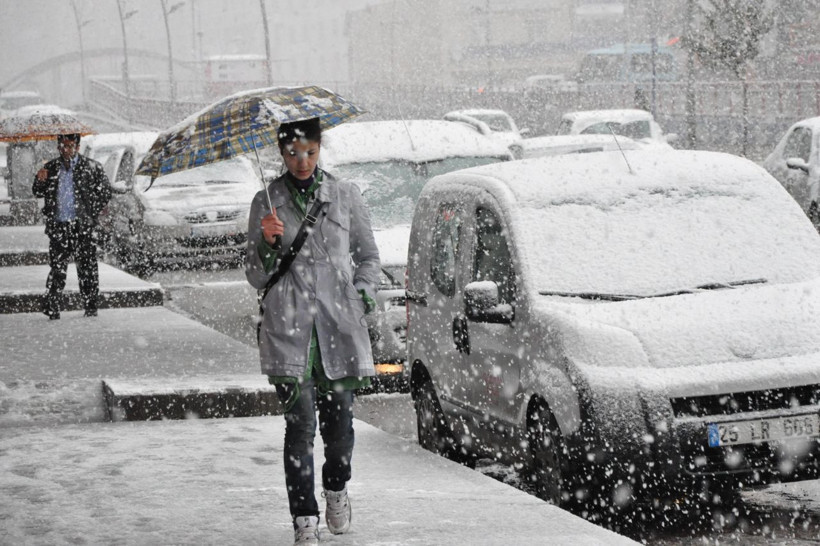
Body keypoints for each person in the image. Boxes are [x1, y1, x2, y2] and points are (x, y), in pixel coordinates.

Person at [244, 117, 380, 545]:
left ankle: (336, 487)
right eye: (292, 153)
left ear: (320, 149)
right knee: (299, 427)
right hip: (289, 331)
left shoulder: (344, 196)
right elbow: (253, 274)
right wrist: (267, 243)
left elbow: (368, 257)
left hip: (339, 328)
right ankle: (304, 518)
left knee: (339, 431)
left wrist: (364, 291)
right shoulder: (265, 202)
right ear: (280, 154)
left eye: (310, 152)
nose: (301, 161)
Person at [32, 133, 111, 320]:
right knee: (57, 268)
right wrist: (40, 179)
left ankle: (90, 306)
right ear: (58, 146)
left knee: (87, 268)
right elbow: (37, 192)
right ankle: (52, 307)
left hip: (82, 226)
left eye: (70, 145)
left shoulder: (91, 167)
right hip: (59, 226)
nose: (67, 149)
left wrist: (90, 213)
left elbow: (105, 192)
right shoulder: (50, 167)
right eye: (63, 146)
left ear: (77, 146)